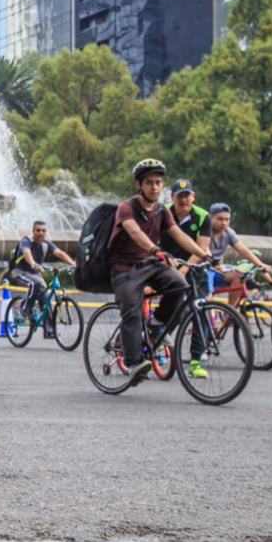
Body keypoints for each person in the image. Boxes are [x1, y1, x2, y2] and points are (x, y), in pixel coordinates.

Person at [108, 159, 212, 384]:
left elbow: (179, 235)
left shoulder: (161, 211)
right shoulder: (127, 207)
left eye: (158, 182)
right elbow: (135, 233)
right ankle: (134, 362)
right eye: (149, 183)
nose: (155, 187)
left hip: (148, 264)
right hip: (124, 268)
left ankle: (156, 325)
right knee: (133, 312)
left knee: (179, 285)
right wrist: (155, 249)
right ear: (139, 185)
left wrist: (203, 255)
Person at [6, 221, 75, 336]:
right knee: (34, 284)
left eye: (43, 230)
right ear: (33, 231)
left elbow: (59, 253)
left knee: (46, 298)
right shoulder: (26, 241)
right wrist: (33, 264)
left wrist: (73, 264)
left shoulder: (46, 243)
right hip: (20, 272)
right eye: (38, 230)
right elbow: (26, 252)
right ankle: (25, 308)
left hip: (35, 274)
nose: (40, 233)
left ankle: (49, 330)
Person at [207, 202, 272, 308]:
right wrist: (216, 265)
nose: (224, 223)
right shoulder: (205, 231)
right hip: (203, 270)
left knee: (240, 275)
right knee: (207, 297)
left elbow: (244, 250)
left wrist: (261, 265)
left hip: (218, 269)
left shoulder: (228, 232)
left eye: (227, 219)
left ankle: (230, 312)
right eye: (220, 219)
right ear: (211, 218)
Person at [159, 179, 211, 292]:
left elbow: (201, 248)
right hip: (166, 264)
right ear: (172, 197)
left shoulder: (203, 216)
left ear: (193, 197)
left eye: (187, 196)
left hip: (192, 265)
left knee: (201, 303)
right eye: (179, 196)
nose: (183, 200)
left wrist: (184, 269)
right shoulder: (161, 212)